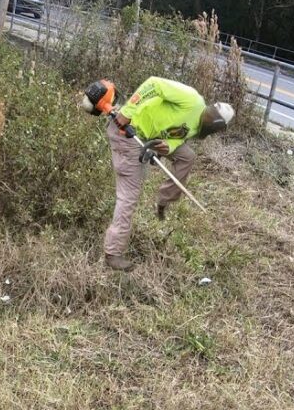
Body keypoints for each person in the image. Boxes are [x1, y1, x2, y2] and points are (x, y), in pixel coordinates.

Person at [80, 76, 234, 272]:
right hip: (127, 133)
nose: (208, 122)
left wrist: (166, 146)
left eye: (213, 123)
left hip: (150, 137)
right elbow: (154, 83)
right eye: (210, 117)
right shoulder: (191, 100)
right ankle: (113, 252)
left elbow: (178, 139)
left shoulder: (198, 126)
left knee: (187, 156)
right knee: (129, 196)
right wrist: (127, 111)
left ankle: (165, 199)